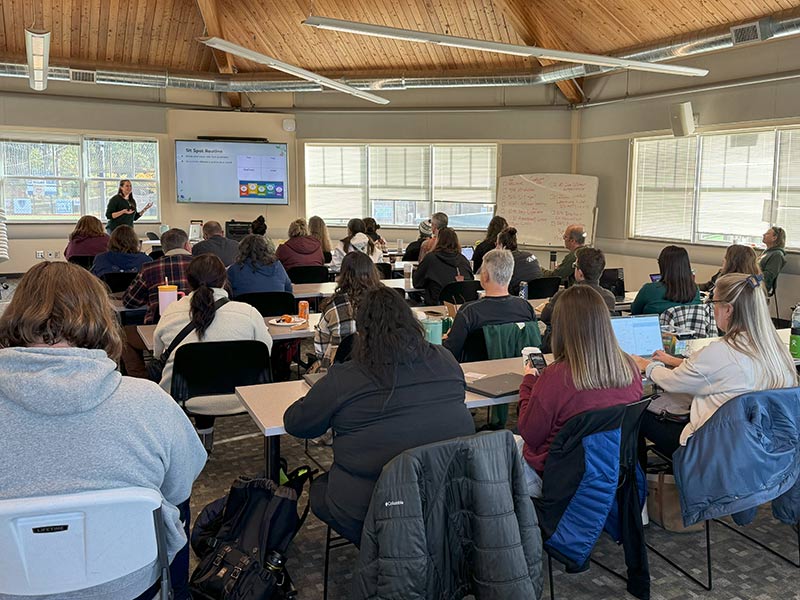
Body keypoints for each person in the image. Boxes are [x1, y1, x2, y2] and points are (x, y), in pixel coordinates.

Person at [0, 261, 206, 600]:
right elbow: (180, 486)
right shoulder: (150, 404)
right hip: (132, 585)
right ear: (102, 317)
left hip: (10, 588)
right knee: (174, 506)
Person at [284, 286, 475, 545]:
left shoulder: (345, 377)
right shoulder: (446, 359)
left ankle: (381, 549)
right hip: (442, 495)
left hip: (371, 505)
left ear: (362, 332)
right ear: (410, 321)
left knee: (319, 489)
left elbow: (297, 423)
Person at [634, 273, 797, 459]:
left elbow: (673, 382)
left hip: (714, 447)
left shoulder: (720, 351)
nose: (712, 309)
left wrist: (646, 365)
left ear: (728, 309)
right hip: (763, 447)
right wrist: (674, 361)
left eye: (714, 303)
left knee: (635, 416)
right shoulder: (777, 350)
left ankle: (635, 486)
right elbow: (717, 372)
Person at [516, 285, 643, 497]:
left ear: (561, 328)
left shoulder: (556, 377)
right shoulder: (629, 368)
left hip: (559, 476)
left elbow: (530, 434)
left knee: (499, 449)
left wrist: (529, 382)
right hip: (609, 471)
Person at [153, 255, 272, 450]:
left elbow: (158, 354)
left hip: (184, 397)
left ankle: (198, 441)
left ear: (188, 281)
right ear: (225, 280)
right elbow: (265, 351)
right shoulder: (248, 313)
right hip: (243, 395)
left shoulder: (171, 311)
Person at [444, 249, 537, 361]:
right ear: (510, 275)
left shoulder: (469, 312)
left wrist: (450, 337)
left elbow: (449, 354)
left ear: (485, 276)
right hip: (519, 372)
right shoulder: (526, 308)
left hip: (475, 372)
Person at [540, 247, 616, 352]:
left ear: (580, 273)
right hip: (597, 350)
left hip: (565, 350)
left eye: (575, 266)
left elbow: (544, 317)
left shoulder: (564, 296)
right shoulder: (609, 298)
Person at [314, 251, 382, 368]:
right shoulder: (385, 303)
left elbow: (320, 349)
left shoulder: (333, 307)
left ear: (343, 274)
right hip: (379, 369)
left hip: (338, 374)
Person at [123, 228, 194, 324]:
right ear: (187, 246)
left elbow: (130, 301)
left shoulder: (149, 268)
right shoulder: (204, 264)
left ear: (163, 249)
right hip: (197, 324)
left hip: (159, 325)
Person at [630, 245, 701, 315]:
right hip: (686, 327)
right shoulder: (695, 290)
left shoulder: (649, 290)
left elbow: (635, 311)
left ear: (662, 266)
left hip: (658, 326)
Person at [412, 227, 474, 306]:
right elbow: (470, 281)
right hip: (462, 306)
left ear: (438, 241)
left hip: (437, 306)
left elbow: (417, 283)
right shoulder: (463, 259)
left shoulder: (430, 258)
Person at [226, 234, 293, 297]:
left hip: (244, 308)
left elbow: (227, 294)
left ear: (242, 249)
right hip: (276, 308)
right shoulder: (278, 266)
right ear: (267, 248)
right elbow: (288, 290)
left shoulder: (234, 270)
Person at [495, 226, 542, 294]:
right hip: (539, 296)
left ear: (502, 246)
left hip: (516, 297)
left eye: (497, 244)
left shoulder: (504, 261)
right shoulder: (530, 256)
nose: (495, 248)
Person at [759, 226, 787, 294]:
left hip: (760, 287)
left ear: (774, 238)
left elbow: (768, 276)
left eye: (767, 233)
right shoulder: (767, 252)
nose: (764, 235)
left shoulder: (777, 255)